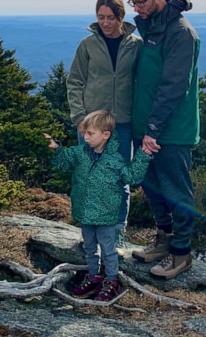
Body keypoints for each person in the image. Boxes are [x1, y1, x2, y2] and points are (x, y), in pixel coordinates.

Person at [127, 0, 200, 279]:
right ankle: (164, 240)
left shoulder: (181, 32)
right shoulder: (153, 26)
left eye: (141, 1)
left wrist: (153, 131)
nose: (136, 8)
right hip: (147, 129)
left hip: (169, 132)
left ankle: (181, 254)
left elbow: (174, 86)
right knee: (152, 185)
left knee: (175, 190)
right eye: (133, 1)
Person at [45, 110, 154, 301]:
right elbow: (62, 160)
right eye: (84, 133)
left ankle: (111, 280)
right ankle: (94, 276)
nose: (85, 137)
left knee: (108, 250)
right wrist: (53, 147)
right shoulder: (79, 154)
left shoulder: (115, 161)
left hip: (106, 216)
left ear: (106, 134)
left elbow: (131, 177)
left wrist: (143, 156)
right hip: (85, 214)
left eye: (90, 133)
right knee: (89, 247)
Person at [66, 0, 142, 250]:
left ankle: (117, 235)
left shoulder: (135, 45)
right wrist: (79, 117)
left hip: (121, 124)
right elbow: (74, 81)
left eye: (110, 17)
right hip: (91, 125)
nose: (105, 22)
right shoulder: (87, 45)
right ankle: (89, 237)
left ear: (121, 16)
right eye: (101, 17)